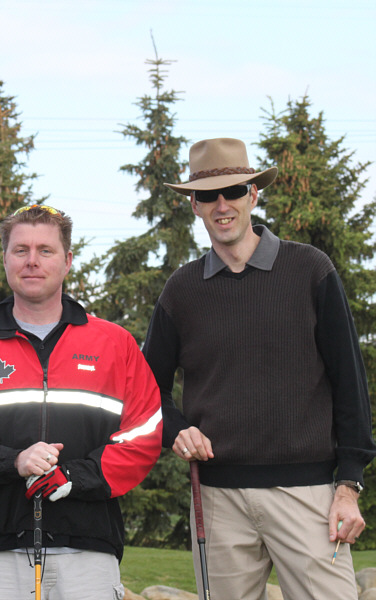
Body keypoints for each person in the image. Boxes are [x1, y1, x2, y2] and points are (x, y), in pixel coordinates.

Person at [143, 138, 376, 599]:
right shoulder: (181, 290)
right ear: (194, 205)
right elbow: (147, 389)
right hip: (216, 498)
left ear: (253, 194)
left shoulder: (310, 269)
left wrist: (348, 485)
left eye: (233, 191)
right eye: (208, 195)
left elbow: (350, 382)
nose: (221, 205)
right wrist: (174, 431)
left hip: (308, 494)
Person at [0, 204, 163, 600]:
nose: (32, 261)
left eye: (45, 251)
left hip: (89, 550)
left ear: (67, 261)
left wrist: (74, 477)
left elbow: (144, 434)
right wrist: (13, 462)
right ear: (5, 259)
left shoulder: (114, 344)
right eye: (21, 250)